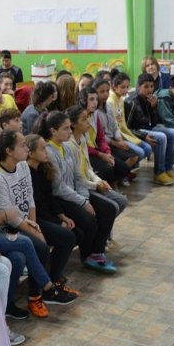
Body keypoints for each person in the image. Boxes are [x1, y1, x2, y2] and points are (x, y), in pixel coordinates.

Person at [0, 140, 77, 318]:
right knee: (25, 242)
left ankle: (8, 304)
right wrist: (4, 216)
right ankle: (47, 287)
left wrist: (24, 221)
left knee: (18, 257)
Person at [39, 112, 117, 273]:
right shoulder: (49, 152)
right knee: (88, 220)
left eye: (69, 127)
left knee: (109, 209)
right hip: (60, 198)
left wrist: (85, 198)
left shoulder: (67, 146)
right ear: (53, 131)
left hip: (75, 194)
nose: (69, 131)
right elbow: (58, 187)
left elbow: (77, 176)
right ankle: (87, 255)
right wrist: (82, 202)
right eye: (65, 128)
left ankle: (97, 252)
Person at [126, 73, 174, 186]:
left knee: (173, 133)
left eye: (151, 86)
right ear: (138, 87)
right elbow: (127, 128)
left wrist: (153, 107)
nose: (150, 89)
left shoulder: (148, 99)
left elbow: (152, 123)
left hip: (148, 129)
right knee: (161, 137)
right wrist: (142, 136)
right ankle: (159, 173)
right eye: (146, 87)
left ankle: (168, 169)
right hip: (138, 131)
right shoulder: (131, 102)